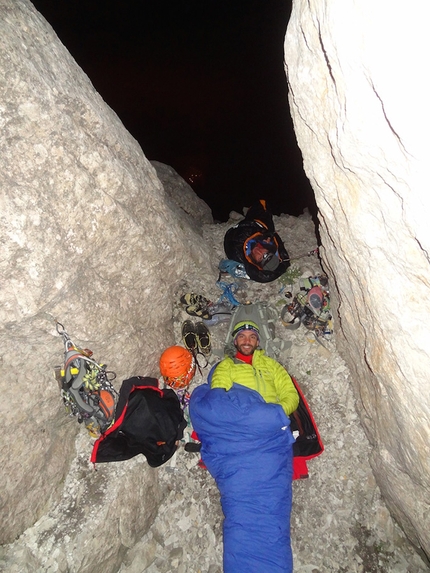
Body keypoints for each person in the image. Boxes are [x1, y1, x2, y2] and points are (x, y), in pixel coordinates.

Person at [211, 320, 299, 416]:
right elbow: (219, 399)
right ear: (235, 342)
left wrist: (275, 412)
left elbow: (290, 394)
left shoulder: (272, 365)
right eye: (242, 336)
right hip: (242, 421)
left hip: (273, 419)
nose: (247, 341)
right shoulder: (225, 366)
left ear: (257, 343)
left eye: (252, 337)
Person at [223, 199, 290, 283]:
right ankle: (249, 211)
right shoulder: (266, 243)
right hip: (257, 222)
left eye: (259, 258)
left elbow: (260, 276)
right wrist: (268, 234)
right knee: (262, 204)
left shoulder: (237, 251)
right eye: (265, 253)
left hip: (241, 229)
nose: (259, 251)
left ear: (256, 263)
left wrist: (260, 234)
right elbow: (281, 250)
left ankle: (243, 216)